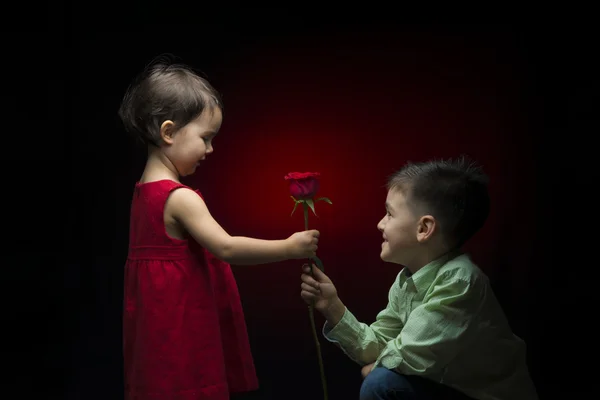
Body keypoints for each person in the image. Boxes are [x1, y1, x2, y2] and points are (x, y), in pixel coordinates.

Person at [118, 58, 320, 400]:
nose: (210, 150)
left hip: (155, 330)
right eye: (206, 138)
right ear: (168, 132)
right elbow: (225, 247)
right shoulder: (178, 198)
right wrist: (289, 247)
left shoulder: (142, 192)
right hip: (182, 324)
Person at [300, 157, 538, 400]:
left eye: (389, 214)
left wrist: (375, 367)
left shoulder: (460, 281)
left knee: (381, 382)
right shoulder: (406, 280)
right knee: (381, 376)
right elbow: (379, 346)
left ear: (424, 229)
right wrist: (332, 306)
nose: (380, 224)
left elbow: (410, 354)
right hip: (442, 390)